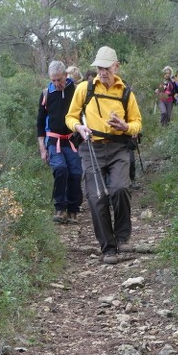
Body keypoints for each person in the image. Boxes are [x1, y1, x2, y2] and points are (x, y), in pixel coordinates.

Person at [66, 45, 142, 265]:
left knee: (120, 189)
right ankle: (108, 248)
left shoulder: (126, 93)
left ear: (116, 67)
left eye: (107, 68)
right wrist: (78, 128)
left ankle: (122, 237)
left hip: (119, 147)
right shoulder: (84, 88)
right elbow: (70, 117)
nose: (102, 72)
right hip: (91, 149)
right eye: (99, 68)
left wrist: (125, 126)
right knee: (96, 197)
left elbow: (137, 123)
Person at [36, 60, 83, 224]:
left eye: (59, 79)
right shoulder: (46, 94)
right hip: (53, 140)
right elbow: (40, 122)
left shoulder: (76, 91)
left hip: (71, 140)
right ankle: (60, 208)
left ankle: (73, 209)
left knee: (76, 173)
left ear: (65, 75)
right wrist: (42, 148)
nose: (56, 83)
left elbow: (84, 115)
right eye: (53, 80)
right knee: (61, 169)